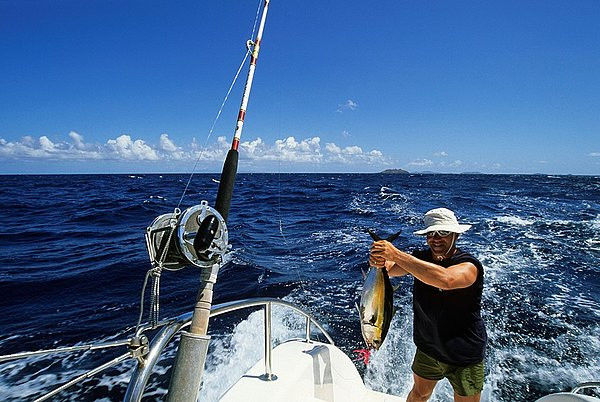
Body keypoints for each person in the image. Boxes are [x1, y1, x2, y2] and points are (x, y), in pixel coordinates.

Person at [369, 208, 487, 402]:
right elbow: (389, 270)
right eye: (431, 234)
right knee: (419, 393)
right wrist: (378, 259)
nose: (436, 238)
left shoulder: (469, 265)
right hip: (428, 347)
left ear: (455, 235)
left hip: (464, 354)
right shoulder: (420, 259)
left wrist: (396, 255)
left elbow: (446, 280)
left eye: (443, 233)